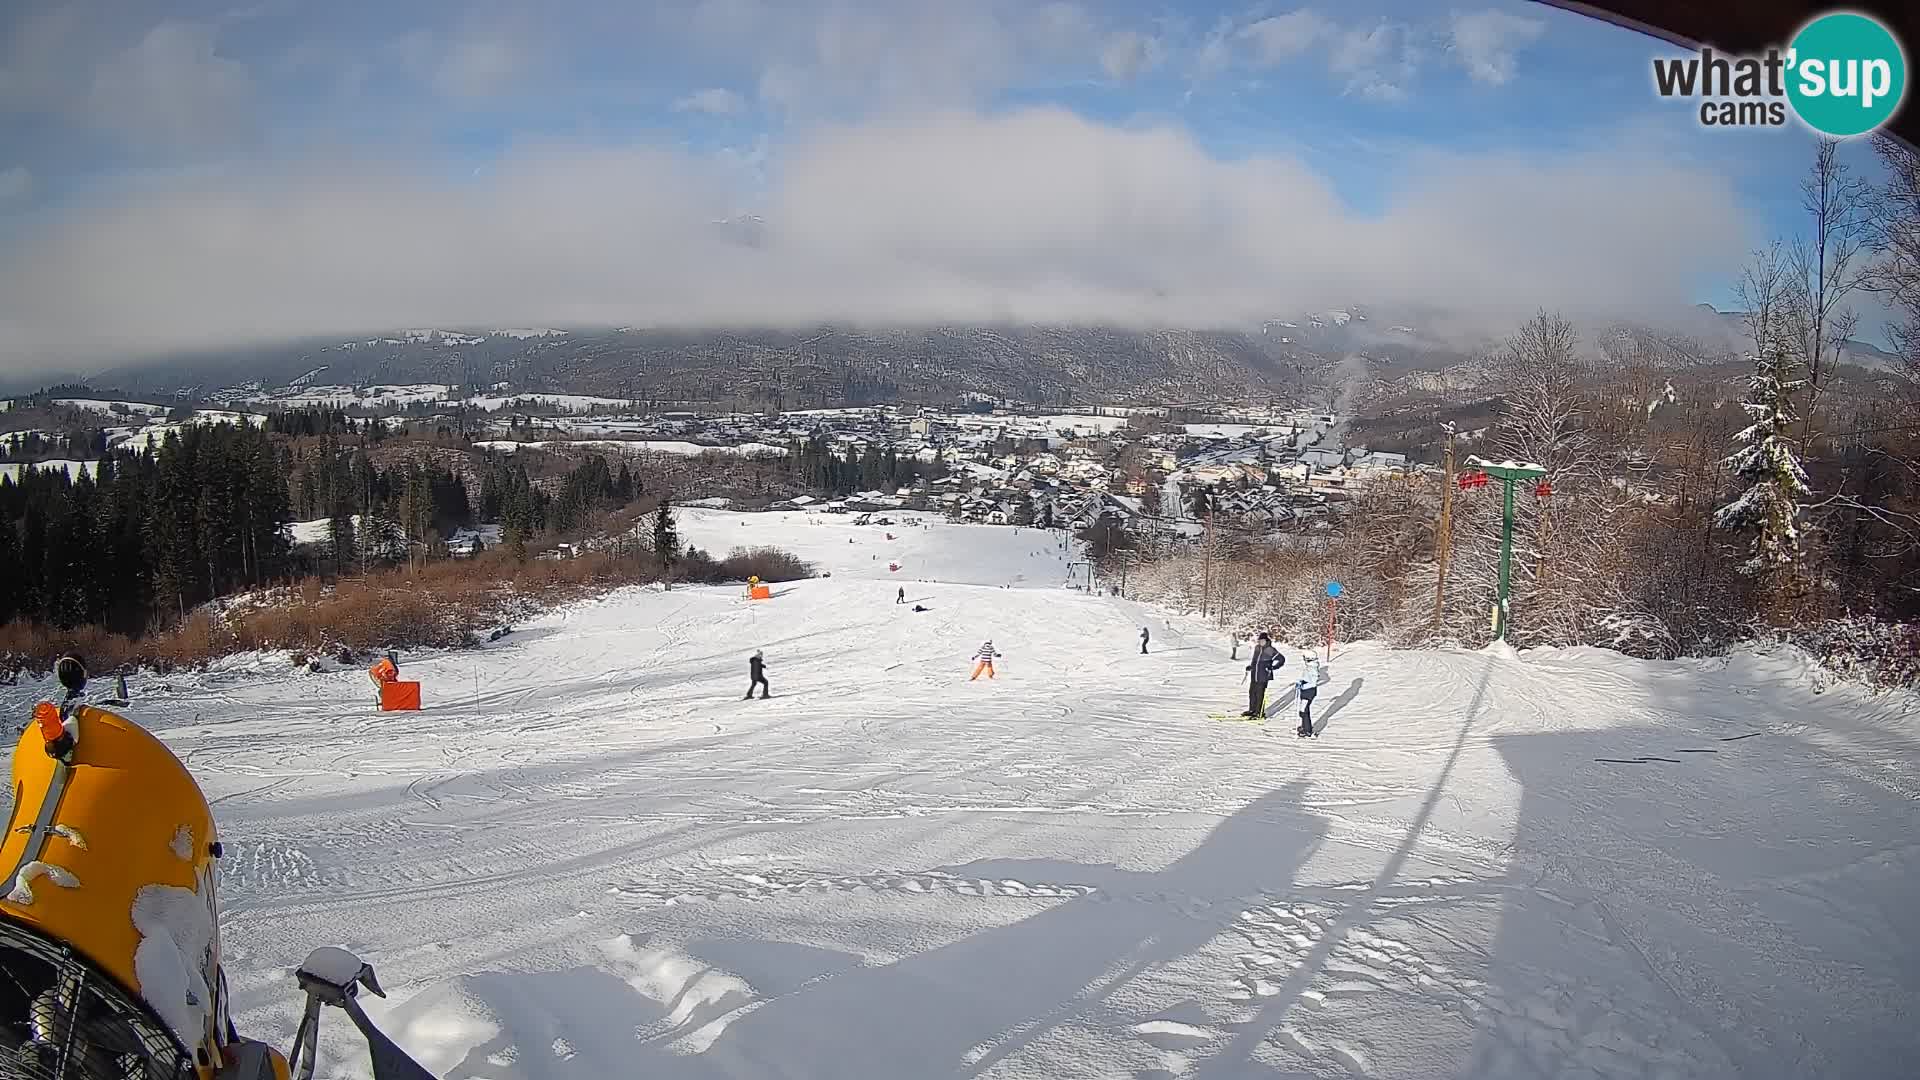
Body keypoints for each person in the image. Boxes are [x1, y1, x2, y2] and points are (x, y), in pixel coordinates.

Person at [1244, 633, 1284, 718]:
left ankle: (1259, 712)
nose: (1260, 642)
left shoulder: (1270, 650)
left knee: (1259, 694)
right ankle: (1252, 710)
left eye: (1262, 641)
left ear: (1266, 640)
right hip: (1254, 674)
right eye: (1259, 641)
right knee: (1252, 692)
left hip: (1263, 675)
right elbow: (1255, 661)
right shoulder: (1257, 648)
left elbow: (1281, 659)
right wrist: (1251, 667)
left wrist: (1273, 667)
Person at [1296, 653, 1324, 737]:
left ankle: (1307, 730)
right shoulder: (1310, 667)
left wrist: (1303, 685)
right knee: (1305, 710)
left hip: (1309, 692)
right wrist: (1301, 681)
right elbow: (1306, 678)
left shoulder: (1313, 669)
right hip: (1306, 691)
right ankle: (1305, 726)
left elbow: (1313, 682)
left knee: (1303, 711)